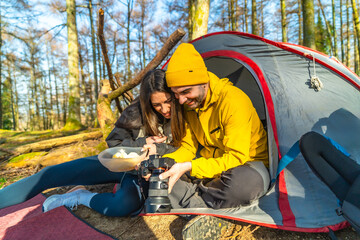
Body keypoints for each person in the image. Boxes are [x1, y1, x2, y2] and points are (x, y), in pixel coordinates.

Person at [0, 69, 185, 217]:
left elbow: (187, 149)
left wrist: (158, 149)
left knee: (120, 206)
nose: (165, 109)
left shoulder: (185, 111)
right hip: (118, 164)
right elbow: (114, 143)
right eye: (157, 105)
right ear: (147, 103)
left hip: (141, 174)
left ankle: (81, 196)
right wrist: (143, 143)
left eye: (168, 102)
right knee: (49, 174)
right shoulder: (136, 112)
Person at [159, 43, 270, 210]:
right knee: (164, 174)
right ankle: (200, 200)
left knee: (243, 186)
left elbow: (236, 158)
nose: (181, 100)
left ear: (204, 83)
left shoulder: (233, 101)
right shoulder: (190, 106)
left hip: (248, 165)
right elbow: (188, 148)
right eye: (176, 94)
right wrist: (166, 163)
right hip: (212, 165)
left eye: (186, 92)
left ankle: (193, 197)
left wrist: (191, 167)